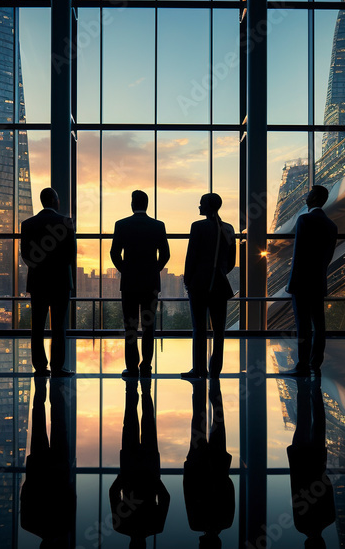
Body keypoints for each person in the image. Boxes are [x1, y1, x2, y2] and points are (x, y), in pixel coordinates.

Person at [280, 185, 338, 377]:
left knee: (303, 326)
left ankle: (302, 364)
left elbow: (299, 255)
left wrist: (292, 283)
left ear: (312, 199)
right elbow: (327, 257)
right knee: (319, 325)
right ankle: (316, 363)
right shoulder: (331, 225)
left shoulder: (304, 220)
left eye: (308, 194)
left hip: (302, 283)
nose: (305, 196)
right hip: (318, 281)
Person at [110, 190, 170, 378]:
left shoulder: (121, 225)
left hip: (129, 284)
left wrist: (125, 270)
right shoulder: (158, 226)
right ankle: (146, 366)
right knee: (148, 326)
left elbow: (114, 253)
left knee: (130, 327)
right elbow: (166, 254)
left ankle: (132, 367)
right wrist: (154, 270)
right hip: (150, 284)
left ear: (132, 204)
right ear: (147, 204)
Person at [21, 187, 77, 377]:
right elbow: (70, 255)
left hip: (38, 282)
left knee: (37, 325)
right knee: (59, 326)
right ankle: (57, 366)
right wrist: (57, 267)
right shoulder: (66, 222)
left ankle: (39, 366)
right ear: (54, 201)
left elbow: (26, 257)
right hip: (60, 282)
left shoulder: (28, 224)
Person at [182, 193, 237, 379]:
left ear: (207, 206)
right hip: (220, 285)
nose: (199, 206)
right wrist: (219, 273)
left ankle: (198, 369)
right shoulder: (228, 229)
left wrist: (188, 280)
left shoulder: (198, 227)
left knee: (199, 328)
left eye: (201, 204)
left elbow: (192, 257)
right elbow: (231, 261)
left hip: (199, 285)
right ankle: (215, 369)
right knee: (219, 329)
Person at [110, 379, 170, 548]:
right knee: (130, 421)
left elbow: (165, 498)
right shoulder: (120, 526)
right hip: (129, 466)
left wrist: (153, 479)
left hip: (149, 466)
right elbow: (113, 492)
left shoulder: (156, 527)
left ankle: (145, 389)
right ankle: (131, 388)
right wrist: (124, 476)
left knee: (148, 423)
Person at [21, 377, 75, 547]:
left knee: (59, 423)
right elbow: (26, 492)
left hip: (59, 469)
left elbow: (70, 497)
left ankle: (56, 385)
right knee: (38, 420)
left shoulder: (64, 527)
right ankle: (41, 385)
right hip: (38, 467)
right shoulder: (28, 525)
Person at [183, 379, 234, 548]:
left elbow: (230, 491)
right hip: (198, 465)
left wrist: (219, 475)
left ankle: (213, 389)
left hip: (217, 464)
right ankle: (200, 388)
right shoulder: (195, 525)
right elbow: (188, 492)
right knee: (199, 420)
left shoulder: (226, 522)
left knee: (217, 423)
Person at [287, 378, 336, 548]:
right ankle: (303, 385)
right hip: (300, 462)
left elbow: (328, 488)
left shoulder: (329, 518)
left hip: (316, 463)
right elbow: (295, 489)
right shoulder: (301, 525)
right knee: (303, 420)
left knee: (317, 423)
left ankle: (315, 387)